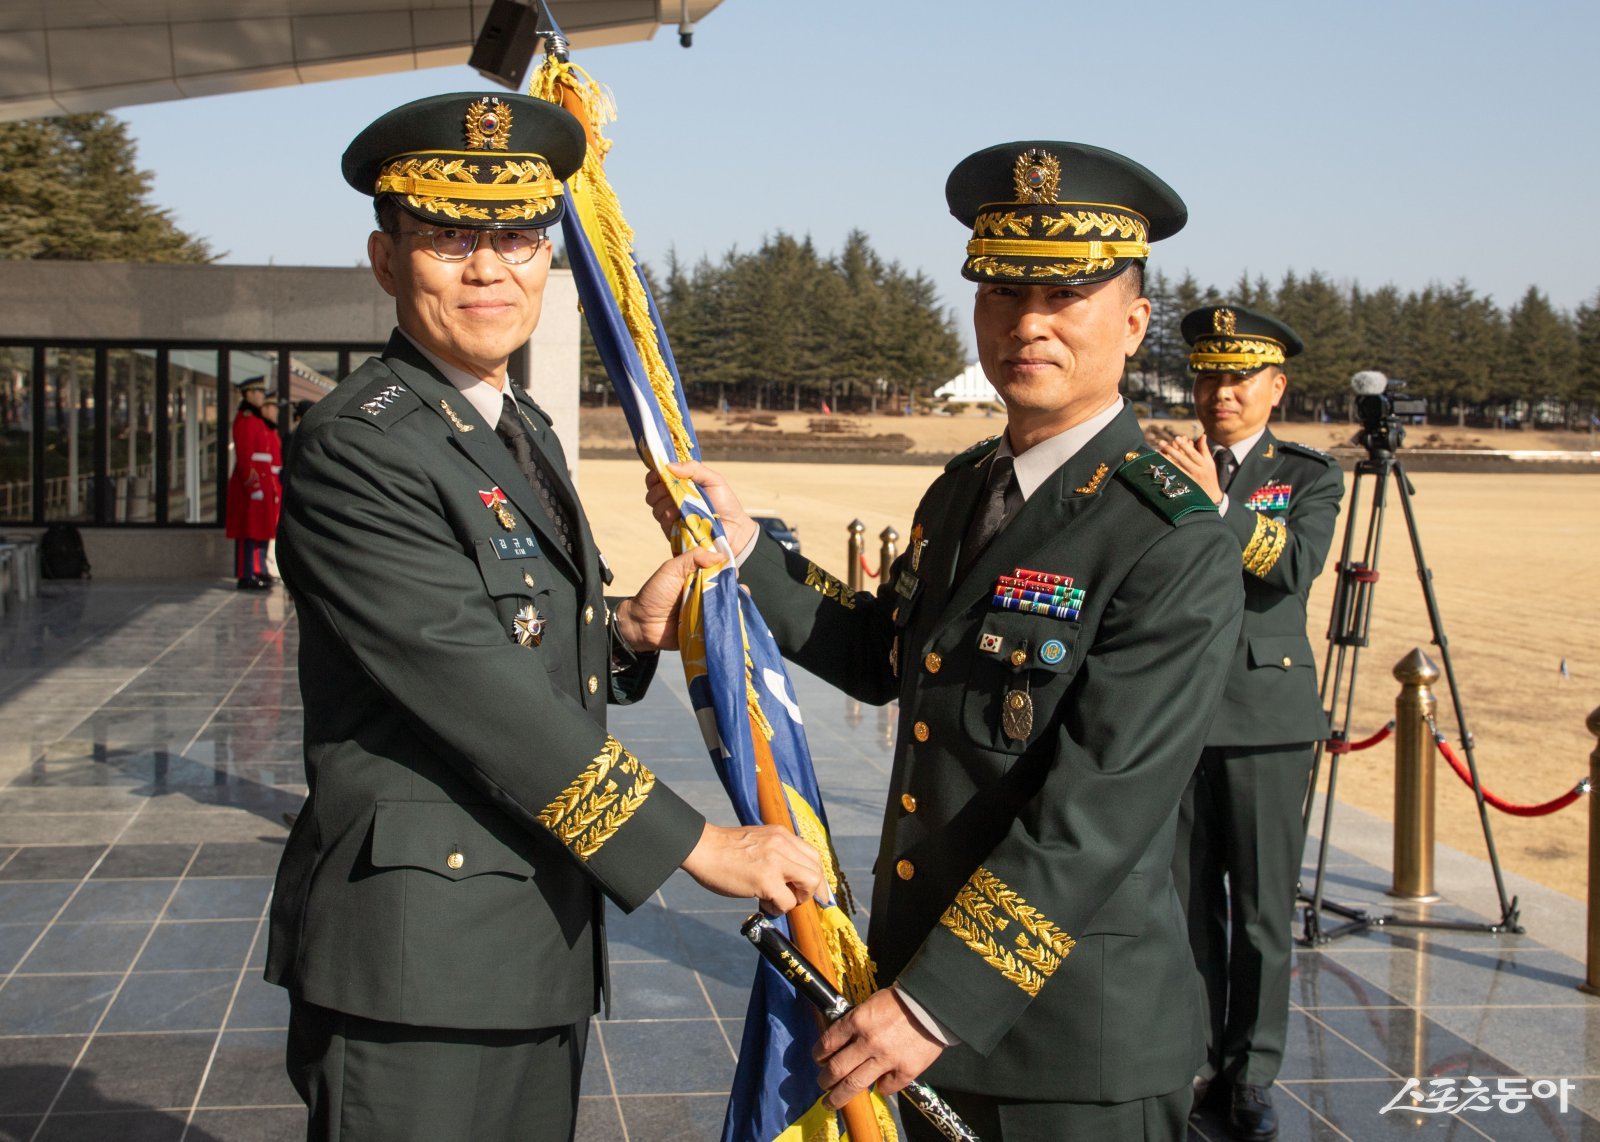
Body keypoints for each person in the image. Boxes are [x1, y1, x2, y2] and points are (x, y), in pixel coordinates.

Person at [649, 141, 1244, 1141]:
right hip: (916, 994)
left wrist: (935, 1002)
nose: (1029, 323)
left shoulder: (1168, 531)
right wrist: (749, 550)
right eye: (1004, 294)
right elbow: (889, 654)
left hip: (1064, 1045)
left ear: (1134, 323)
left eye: (1067, 297)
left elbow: (1095, 811)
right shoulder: (965, 489)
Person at [264, 92, 823, 1142]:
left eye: (519, 237)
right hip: (418, 956)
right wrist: (698, 843)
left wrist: (626, 633)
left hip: (529, 932)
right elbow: (470, 684)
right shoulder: (361, 443)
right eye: (447, 237)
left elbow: (523, 645)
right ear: (387, 261)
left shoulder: (512, 423)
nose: (489, 268)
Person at [1155, 305, 1344, 1141]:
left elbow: (1292, 567)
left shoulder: (1305, 475)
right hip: (1175, 717)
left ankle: (1253, 1068)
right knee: (1188, 901)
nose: (1219, 392)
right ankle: (1195, 1055)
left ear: (1276, 387)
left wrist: (1216, 503)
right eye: (1207, 374)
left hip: (1264, 718)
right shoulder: (1160, 462)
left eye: (1237, 377)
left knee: (1263, 910)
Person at [224, 376, 280, 589]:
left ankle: (257, 570)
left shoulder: (255, 420)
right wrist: (253, 484)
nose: (260, 397)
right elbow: (245, 455)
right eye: (256, 393)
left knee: (260, 530)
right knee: (248, 531)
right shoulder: (245, 418)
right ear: (247, 394)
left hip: (263, 483)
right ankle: (245, 573)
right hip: (250, 484)